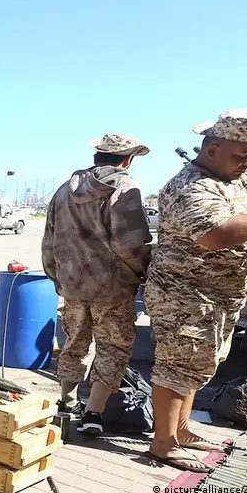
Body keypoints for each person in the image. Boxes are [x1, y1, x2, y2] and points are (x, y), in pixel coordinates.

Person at [145, 109, 247, 473]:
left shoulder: (243, 174)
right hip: (185, 296)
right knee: (176, 367)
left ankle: (181, 431)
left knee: (198, 365)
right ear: (213, 149)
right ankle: (163, 443)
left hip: (222, 295)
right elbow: (220, 234)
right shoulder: (189, 187)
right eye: (242, 155)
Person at [42, 133, 152, 436]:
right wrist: (143, 271)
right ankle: (93, 413)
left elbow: (49, 238)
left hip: (72, 285)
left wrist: (56, 276)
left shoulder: (65, 189)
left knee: (74, 343)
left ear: (96, 157)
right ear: (127, 159)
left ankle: (65, 402)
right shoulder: (125, 188)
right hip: (112, 288)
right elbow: (131, 243)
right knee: (112, 348)